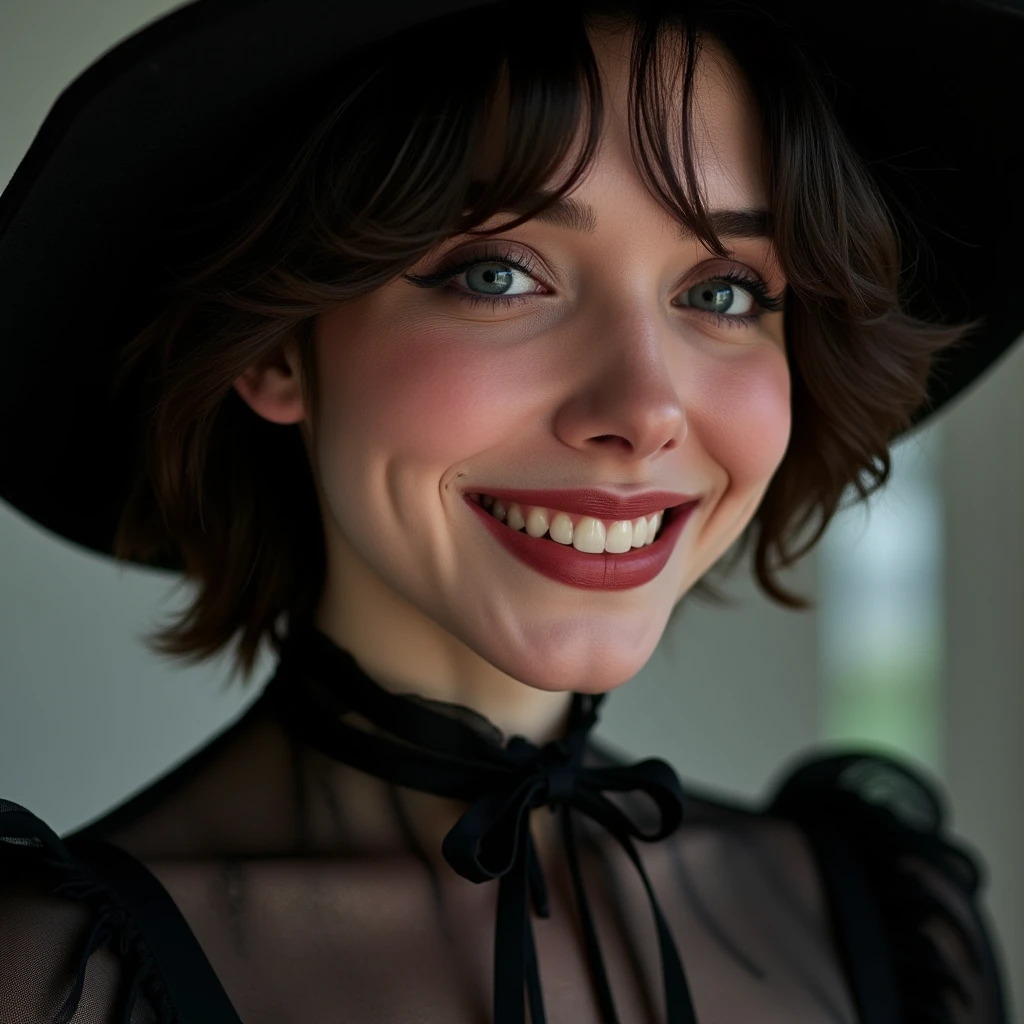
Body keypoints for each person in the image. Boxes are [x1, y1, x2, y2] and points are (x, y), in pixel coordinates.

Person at [0, 0, 1018, 1021]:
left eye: (722, 291)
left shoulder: (879, 929)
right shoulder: (58, 979)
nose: (643, 409)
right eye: (499, 275)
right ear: (273, 342)